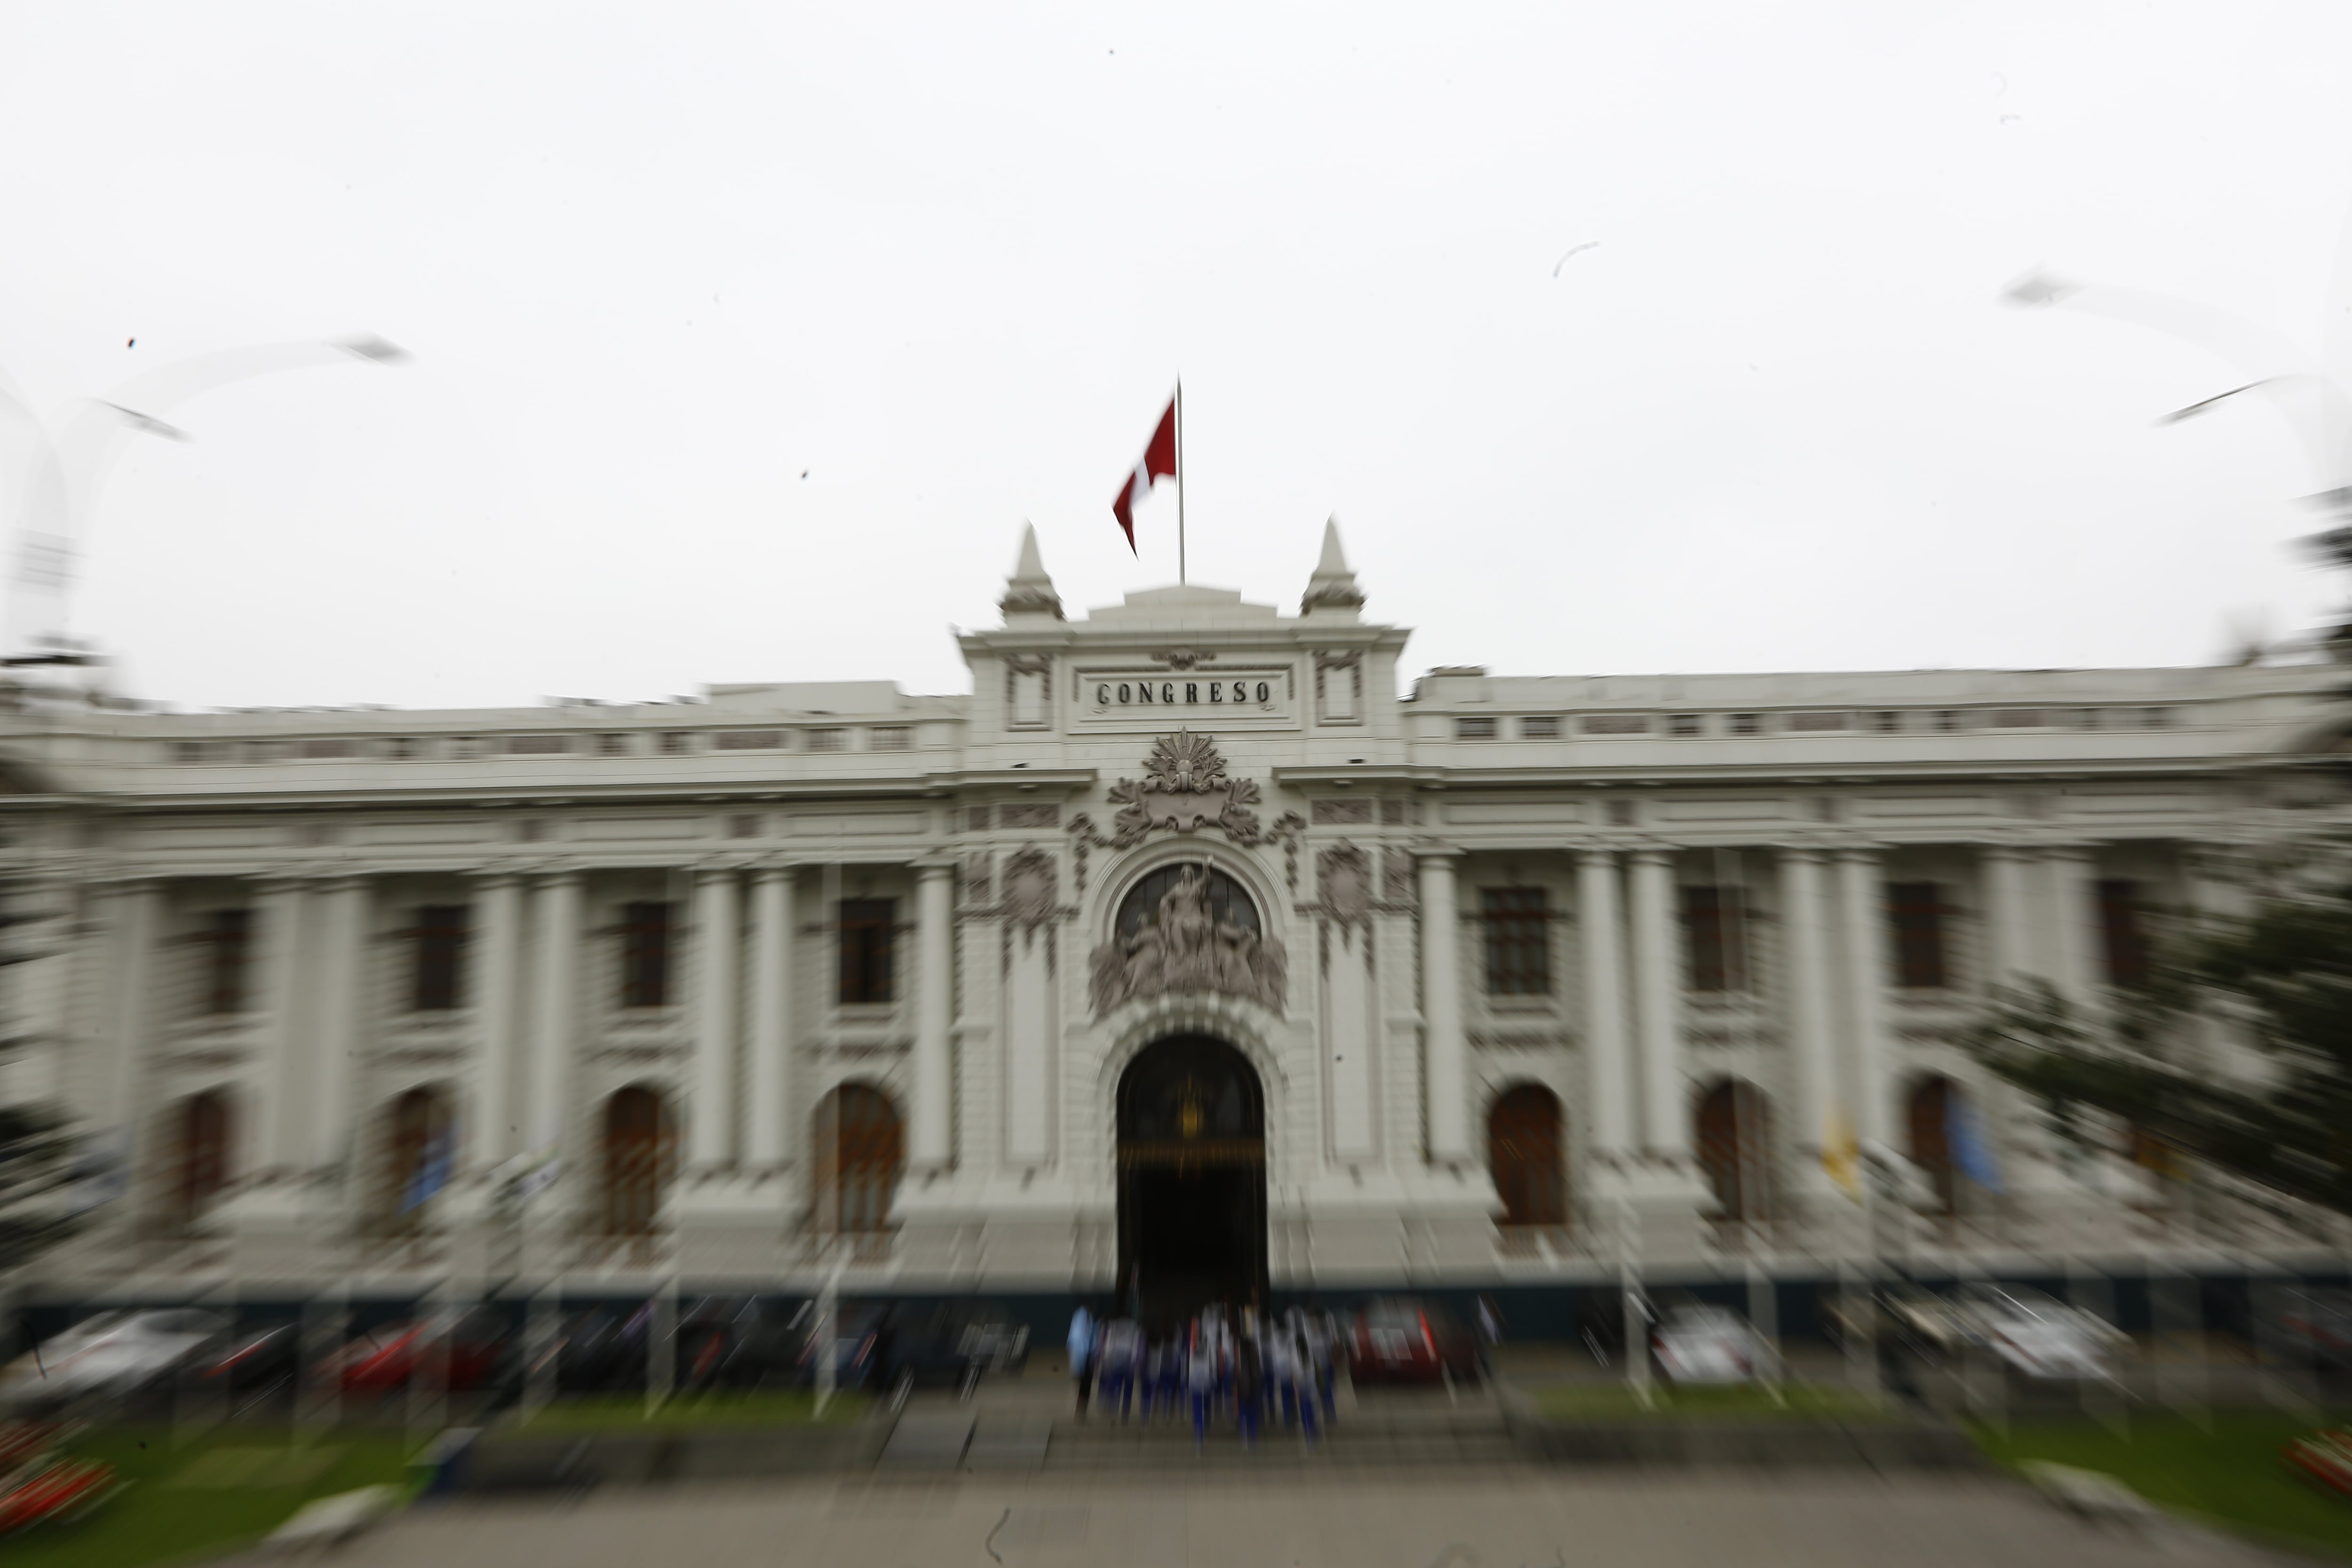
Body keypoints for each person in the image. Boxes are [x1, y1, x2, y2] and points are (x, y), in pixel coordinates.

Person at [1067, 1304, 1096, 1419]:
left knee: (1085, 1386)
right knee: (1084, 1385)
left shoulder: (1085, 1320)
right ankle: (1081, 1411)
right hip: (1082, 1357)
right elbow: (1077, 1340)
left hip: (1086, 1357)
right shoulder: (1082, 1319)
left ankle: (1082, 1410)